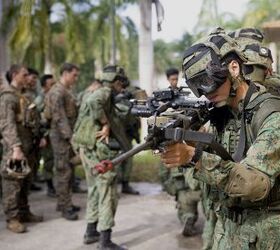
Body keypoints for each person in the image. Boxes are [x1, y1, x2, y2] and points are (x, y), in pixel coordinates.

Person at [160, 30, 280, 249]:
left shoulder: (271, 114)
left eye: (209, 80)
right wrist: (192, 143)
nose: (206, 92)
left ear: (234, 68)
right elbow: (226, 161)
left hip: (264, 235)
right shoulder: (224, 112)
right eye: (197, 85)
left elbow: (254, 184)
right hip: (227, 229)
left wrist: (194, 156)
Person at [72, 65, 129, 249]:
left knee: (95, 190)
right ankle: (105, 241)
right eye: (121, 83)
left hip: (87, 148)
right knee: (108, 192)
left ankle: (91, 231)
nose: (123, 87)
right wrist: (105, 124)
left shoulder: (95, 90)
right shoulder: (103, 92)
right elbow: (94, 103)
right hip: (99, 150)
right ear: (116, 82)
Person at [158, 67, 201, 236]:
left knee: (194, 181)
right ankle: (188, 216)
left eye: (177, 79)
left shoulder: (186, 97)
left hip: (186, 143)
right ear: (168, 79)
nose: (175, 81)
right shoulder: (163, 99)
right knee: (178, 184)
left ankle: (189, 216)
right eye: (172, 79)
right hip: (170, 144)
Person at [0, 64, 43, 233]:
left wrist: (38, 138)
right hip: (16, 149)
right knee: (13, 184)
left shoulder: (24, 96)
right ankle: (12, 218)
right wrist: (16, 148)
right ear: (15, 75)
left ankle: (24, 212)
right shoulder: (7, 97)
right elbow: (6, 124)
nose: (28, 78)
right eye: (24, 75)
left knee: (25, 181)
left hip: (29, 147)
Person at [44, 63, 80, 220]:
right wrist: (70, 137)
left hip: (67, 136)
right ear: (65, 73)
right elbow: (59, 118)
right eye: (74, 75)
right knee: (63, 171)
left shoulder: (66, 91)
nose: (76, 78)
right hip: (61, 137)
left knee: (69, 170)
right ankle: (65, 207)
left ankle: (64, 202)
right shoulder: (57, 92)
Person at [34, 74, 56, 197]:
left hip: (55, 133)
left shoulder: (53, 97)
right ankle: (50, 186)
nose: (54, 86)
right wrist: (42, 136)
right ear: (44, 86)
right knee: (48, 161)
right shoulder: (40, 100)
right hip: (46, 134)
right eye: (51, 84)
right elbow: (37, 121)